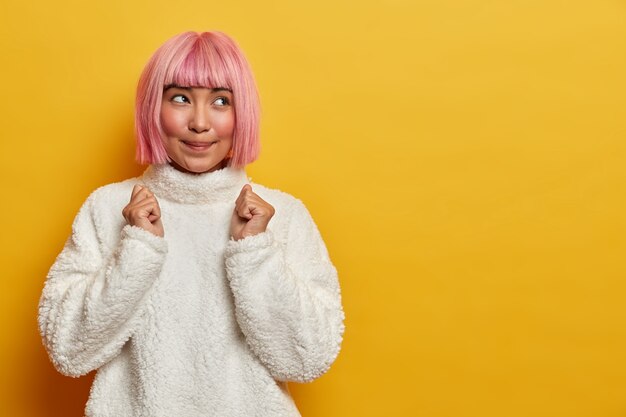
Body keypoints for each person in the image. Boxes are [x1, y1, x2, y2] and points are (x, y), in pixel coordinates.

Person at [38, 31, 345, 417]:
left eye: (221, 101)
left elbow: (308, 358)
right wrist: (136, 250)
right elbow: (69, 349)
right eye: (180, 98)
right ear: (154, 106)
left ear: (241, 113)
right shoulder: (108, 208)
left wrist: (254, 253)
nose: (200, 123)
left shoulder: (280, 215)